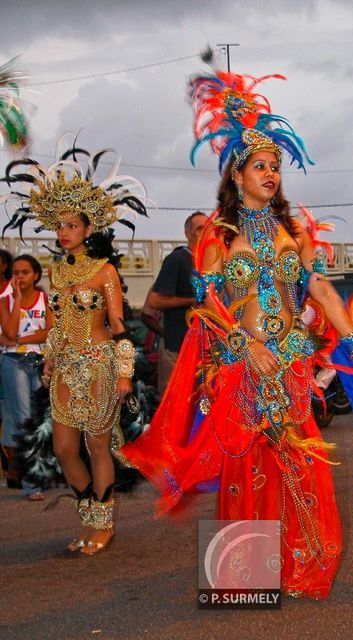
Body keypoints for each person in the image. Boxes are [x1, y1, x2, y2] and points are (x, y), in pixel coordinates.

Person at [122, 68, 353, 599]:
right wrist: (247, 344)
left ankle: (304, 567)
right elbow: (209, 305)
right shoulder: (217, 235)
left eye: (276, 166)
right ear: (237, 175)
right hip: (243, 363)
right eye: (260, 166)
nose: (272, 174)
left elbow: (324, 295)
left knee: (298, 459)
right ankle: (245, 577)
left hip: (289, 360)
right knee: (247, 463)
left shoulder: (293, 233)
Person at [1, 136, 147, 553]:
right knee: (64, 448)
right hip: (65, 369)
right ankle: (89, 515)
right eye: (60, 226)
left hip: (101, 364)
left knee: (96, 444)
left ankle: (103, 525)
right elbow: (58, 326)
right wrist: (49, 363)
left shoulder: (104, 272)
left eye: (72, 225)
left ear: (88, 229)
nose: (64, 232)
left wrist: (124, 374)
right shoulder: (58, 274)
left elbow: (120, 325)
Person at [0, 255, 51, 498]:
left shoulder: (45, 299)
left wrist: (19, 340)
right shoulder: (6, 300)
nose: (19, 277)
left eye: (25, 272)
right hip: (13, 362)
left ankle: (33, 474)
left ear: (36, 275)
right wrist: (17, 301)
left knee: (39, 417)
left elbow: (48, 332)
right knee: (23, 417)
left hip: (38, 362)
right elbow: (8, 330)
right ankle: (32, 483)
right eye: (16, 273)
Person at [144, 211, 207, 396]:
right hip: (177, 349)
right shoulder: (177, 260)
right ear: (188, 233)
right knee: (174, 403)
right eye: (199, 228)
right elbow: (154, 301)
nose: (205, 232)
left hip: (203, 350)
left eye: (209, 228)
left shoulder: (210, 262)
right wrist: (193, 301)